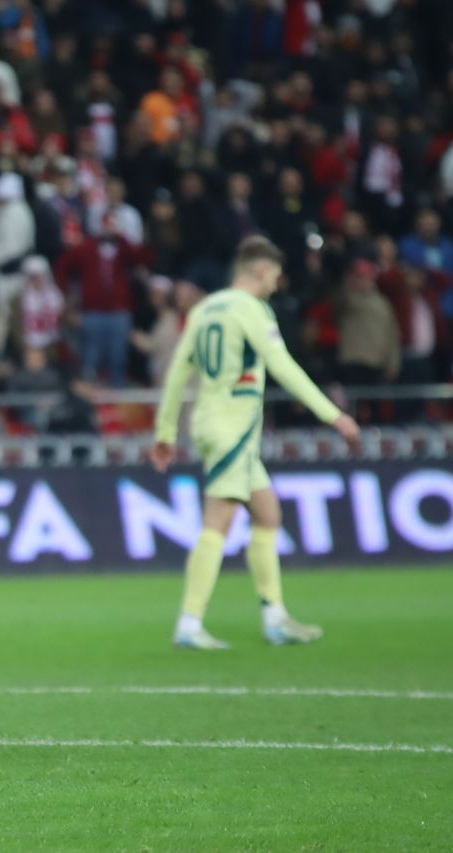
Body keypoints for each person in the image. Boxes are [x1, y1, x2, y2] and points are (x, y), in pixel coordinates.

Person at [152, 236, 360, 650]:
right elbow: (281, 364)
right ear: (262, 271)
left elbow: (178, 370)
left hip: (215, 421)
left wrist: (166, 431)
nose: (277, 284)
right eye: (277, 275)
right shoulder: (251, 309)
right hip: (231, 424)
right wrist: (332, 414)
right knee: (218, 523)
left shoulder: (205, 308)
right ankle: (189, 623)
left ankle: (274, 617)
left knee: (266, 514)